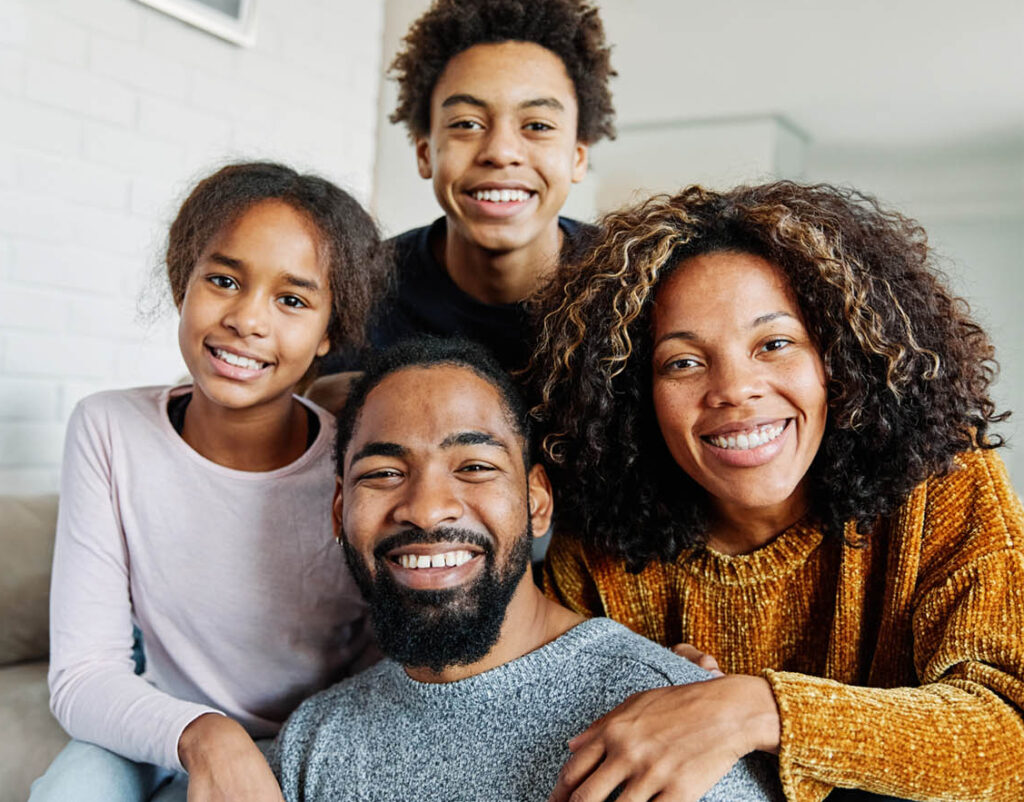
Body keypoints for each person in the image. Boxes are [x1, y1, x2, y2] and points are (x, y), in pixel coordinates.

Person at [530, 181, 1024, 802]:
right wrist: (644, 684)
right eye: (682, 362)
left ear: (838, 362)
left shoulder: (944, 487)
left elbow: (1011, 734)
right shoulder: (597, 544)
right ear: (633, 397)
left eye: (775, 344)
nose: (734, 389)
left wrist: (752, 709)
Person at [270, 337, 782, 802]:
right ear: (340, 511)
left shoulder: (673, 738)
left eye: (474, 467)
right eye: (384, 473)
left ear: (537, 502)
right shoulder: (314, 742)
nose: (426, 509)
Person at [31, 162, 391, 802]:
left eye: (292, 300)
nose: (247, 319)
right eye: (223, 280)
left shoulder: (357, 461)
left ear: (329, 333)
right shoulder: (108, 428)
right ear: (183, 283)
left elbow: (384, 661)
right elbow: (84, 673)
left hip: (308, 743)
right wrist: (207, 736)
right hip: (155, 731)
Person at [311, 0, 615, 408]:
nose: (500, 151)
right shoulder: (358, 295)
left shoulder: (630, 289)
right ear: (424, 152)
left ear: (577, 156)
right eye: (467, 123)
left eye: (536, 124)